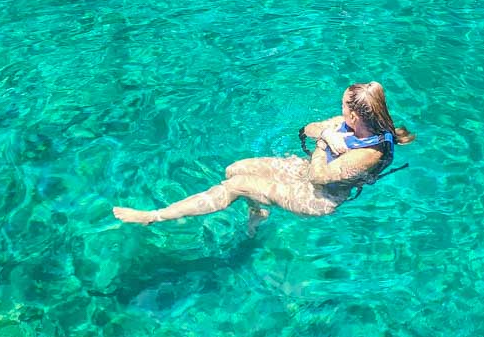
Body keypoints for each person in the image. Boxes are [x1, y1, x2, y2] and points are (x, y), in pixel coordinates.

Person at [112, 80, 414, 229]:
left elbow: (318, 176)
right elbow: (309, 129)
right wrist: (326, 133)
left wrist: (324, 144)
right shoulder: (351, 124)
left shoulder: (368, 154)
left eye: (342, 106)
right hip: (307, 174)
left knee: (233, 186)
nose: (338, 110)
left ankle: (153, 217)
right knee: (235, 169)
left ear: (355, 114)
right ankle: (258, 210)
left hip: (319, 198)